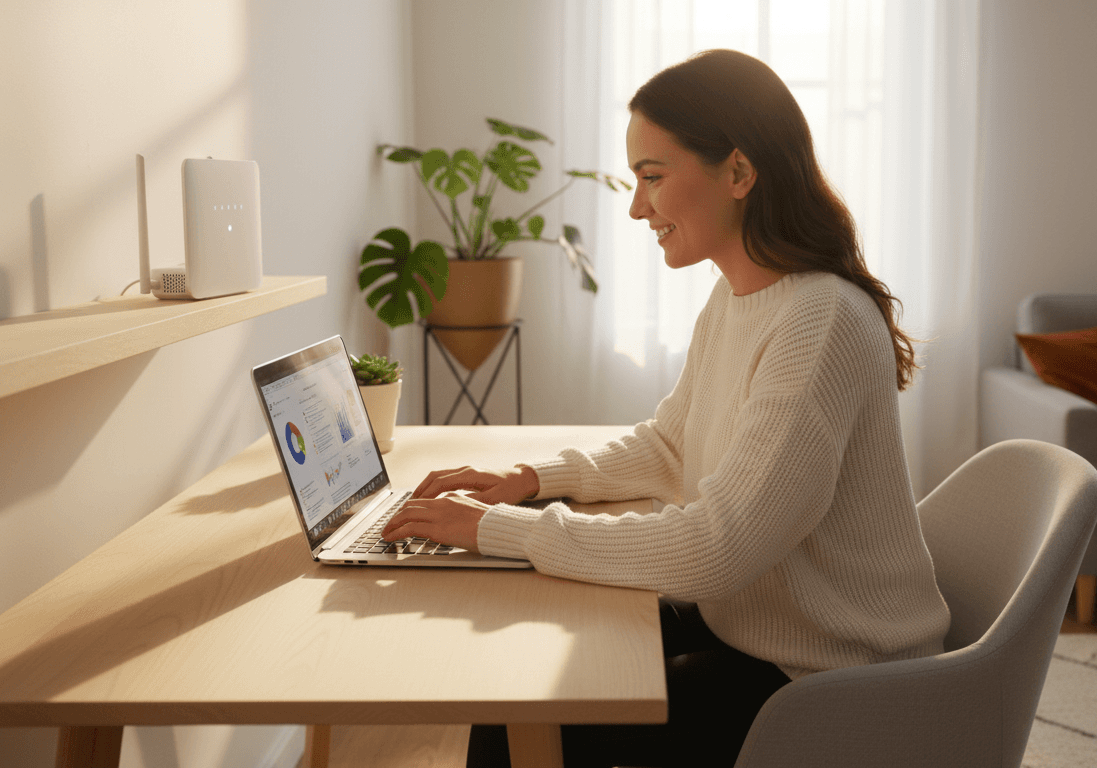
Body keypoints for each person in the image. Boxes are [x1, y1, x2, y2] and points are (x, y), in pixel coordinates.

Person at [382, 48, 951, 768]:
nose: (637, 206)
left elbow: (717, 548)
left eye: (653, 178)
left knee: (530, 719)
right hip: (759, 628)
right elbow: (672, 445)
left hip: (835, 677)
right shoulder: (742, 295)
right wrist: (530, 481)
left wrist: (503, 530)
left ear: (740, 173)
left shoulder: (822, 320)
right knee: (525, 684)